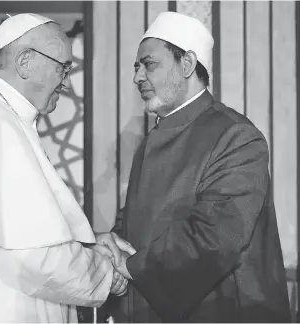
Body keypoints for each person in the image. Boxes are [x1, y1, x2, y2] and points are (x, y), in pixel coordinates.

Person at [0, 14, 134, 323]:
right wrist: (106, 273)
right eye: (63, 67)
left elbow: (24, 230)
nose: (67, 82)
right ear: (25, 61)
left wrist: (88, 242)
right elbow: (35, 257)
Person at [109, 12, 291, 322]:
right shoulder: (151, 139)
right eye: (136, 67)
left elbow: (215, 237)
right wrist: (113, 241)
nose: (138, 77)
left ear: (187, 64)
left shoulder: (236, 135)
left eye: (149, 64)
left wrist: (126, 267)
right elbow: (138, 216)